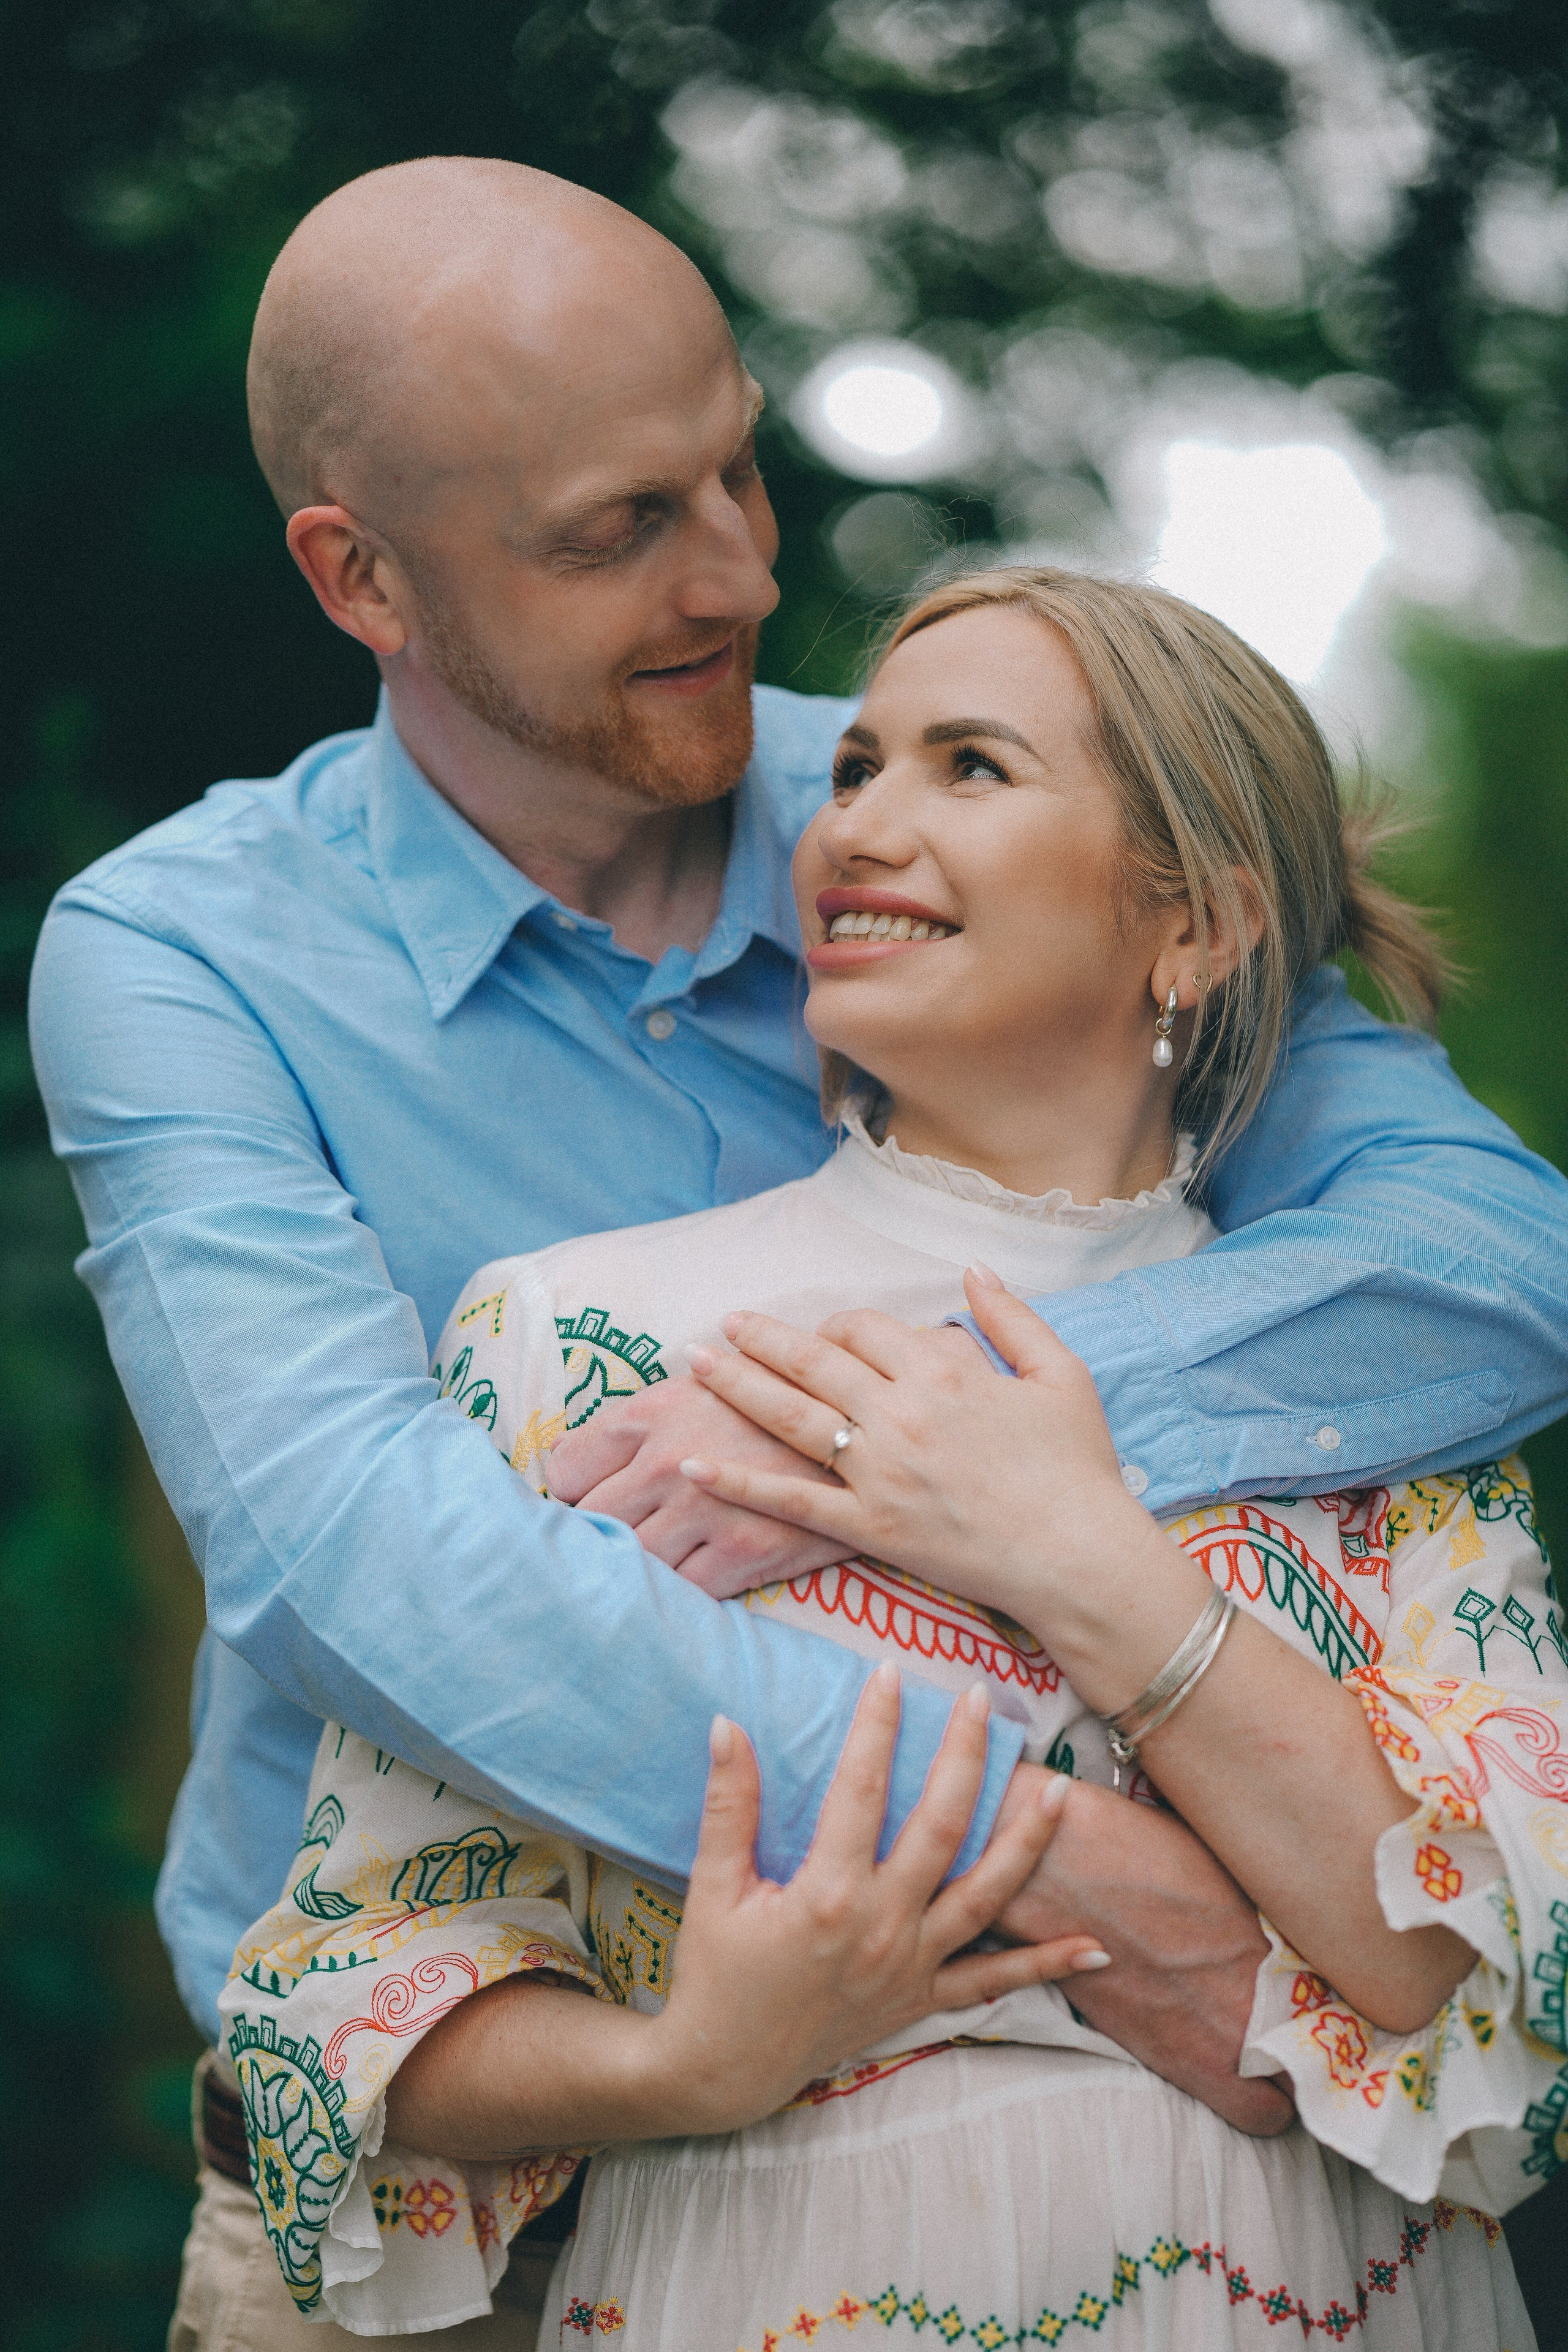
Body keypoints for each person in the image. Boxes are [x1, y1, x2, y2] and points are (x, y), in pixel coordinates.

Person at [21, 156, 1567, 2336]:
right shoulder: (186, 956)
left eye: (734, 465)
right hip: (462, 2151)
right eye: (615, 531)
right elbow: (360, 1560)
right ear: (363, 578)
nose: (741, 573)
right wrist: (1038, 1849)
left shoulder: (990, 849)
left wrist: (914, 1433)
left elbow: (1492, 1261)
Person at [221, 571, 1563, 2350]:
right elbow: (341, 1998)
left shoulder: (1368, 1379)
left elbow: (1465, 1982)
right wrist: (688, 2059)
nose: (857, 824)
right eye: (855, 767)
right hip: (774, 2277)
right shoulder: (587, 1346)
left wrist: (1076, 1554)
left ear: (1200, 926)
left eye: (971, 768)